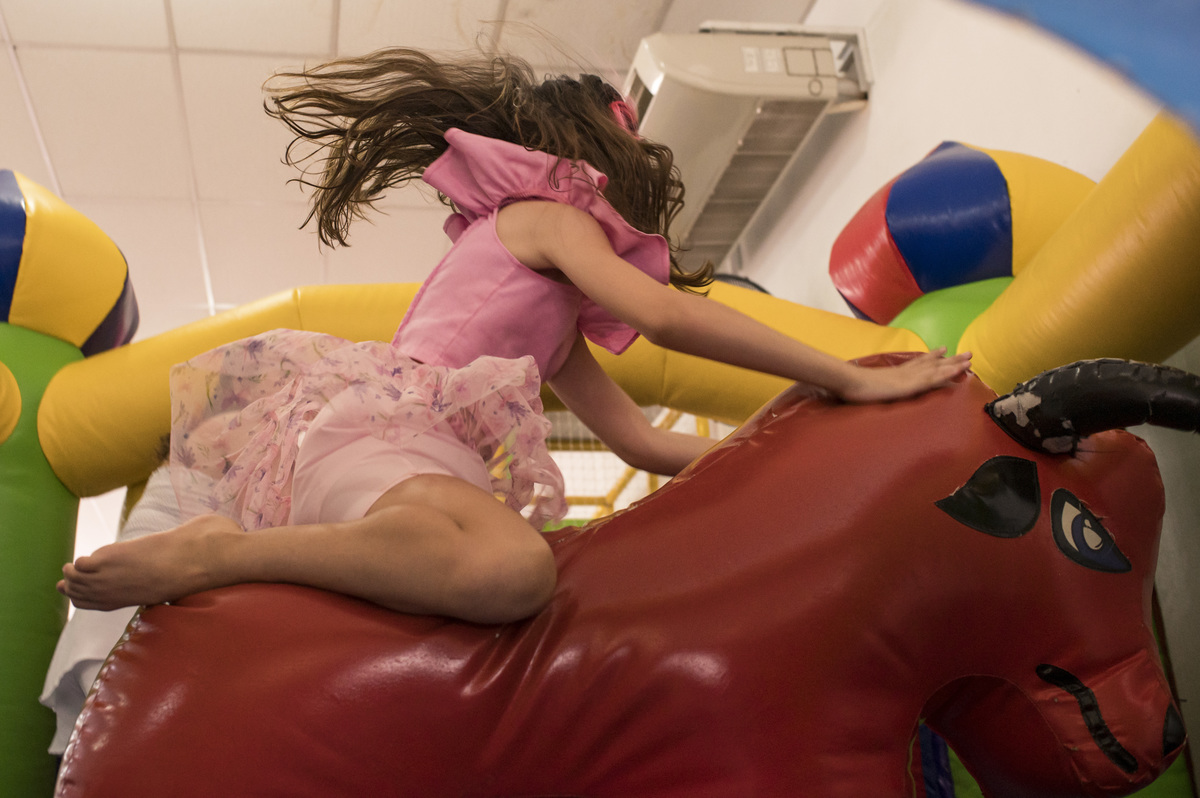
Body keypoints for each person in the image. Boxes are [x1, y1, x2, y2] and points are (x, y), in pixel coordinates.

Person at [57, 48, 971, 624]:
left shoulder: (556, 324)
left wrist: (792, 438)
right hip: (384, 435)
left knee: (503, 570)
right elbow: (666, 315)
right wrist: (847, 375)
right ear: (594, 156)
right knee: (514, 570)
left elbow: (643, 444)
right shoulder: (542, 215)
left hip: (400, 458)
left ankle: (255, 558)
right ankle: (222, 554)